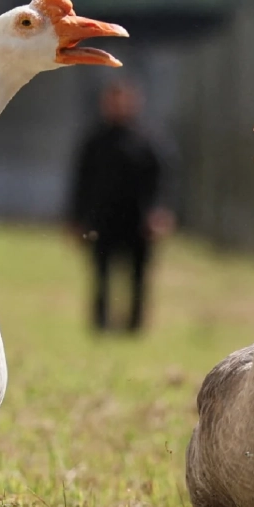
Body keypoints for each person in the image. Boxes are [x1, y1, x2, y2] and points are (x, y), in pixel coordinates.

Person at [68, 80, 174, 333]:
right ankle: (100, 325)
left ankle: (134, 326)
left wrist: (160, 213)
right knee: (101, 276)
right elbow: (80, 181)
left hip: (139, 222)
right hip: (102, 221)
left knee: (138, 277)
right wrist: (75, 217)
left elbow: (164, 180)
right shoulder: (94, 141)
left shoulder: (150, 140)